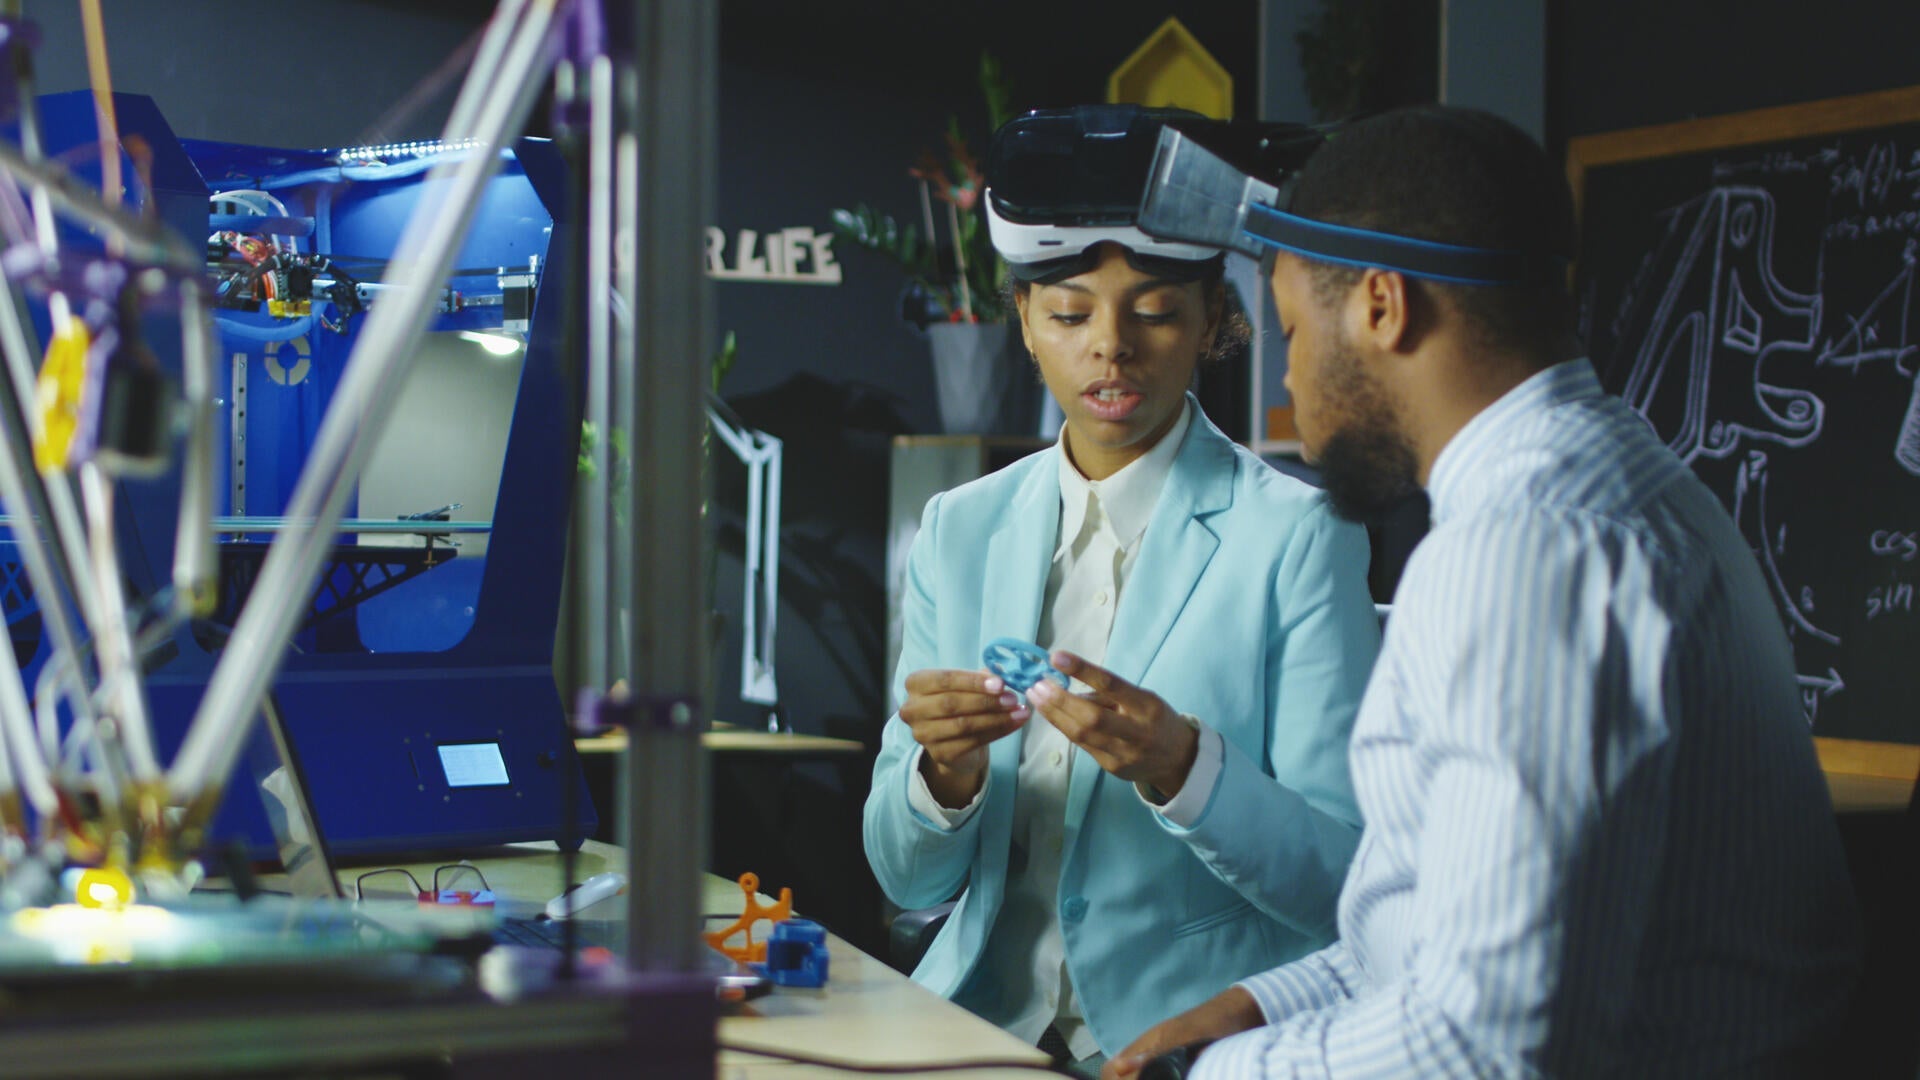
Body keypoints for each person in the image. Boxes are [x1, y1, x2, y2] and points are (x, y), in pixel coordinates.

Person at [1107, 105, 1862, 1078]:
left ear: (1381, 307)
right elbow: (1451, 931)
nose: (1288, 375)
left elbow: (1482, 1043)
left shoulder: (1528, 556)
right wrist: (1251, 1008)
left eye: (1293, 331)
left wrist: (1197, 1078)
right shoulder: (1625, 485)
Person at [862, 105, 1382, 1072]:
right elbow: (903, 874)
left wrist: (1187, 768)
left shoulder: (1300, 537)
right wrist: (945, 776)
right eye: (1068, 313)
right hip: (977, 1030)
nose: (1111, 347)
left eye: (1154, 311)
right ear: (1022, 321)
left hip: (1176, 1045)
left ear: (1213, 325)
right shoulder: (960, 530)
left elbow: (1343, 882)